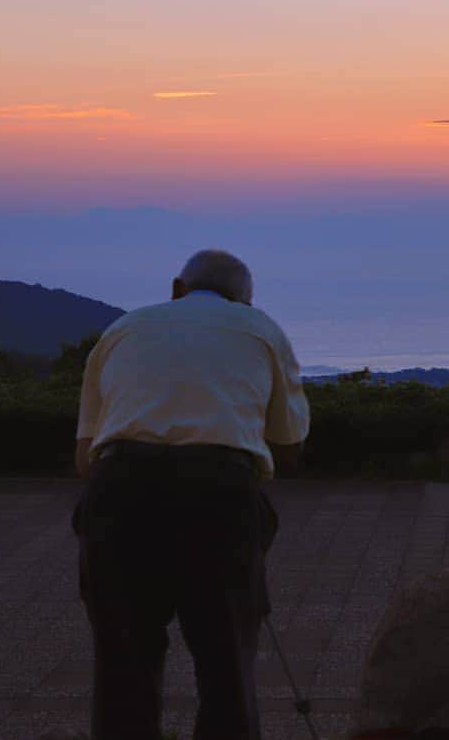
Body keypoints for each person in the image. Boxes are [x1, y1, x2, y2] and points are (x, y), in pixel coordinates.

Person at [71, 249, 310, 740]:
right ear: (244, 301)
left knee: (123, 661)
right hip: (219, 497)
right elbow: (290, 447)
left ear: (178, 287)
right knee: (226, 661)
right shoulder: (261, 329)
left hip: (119, 494)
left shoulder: (123, 330)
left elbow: (84, 455)